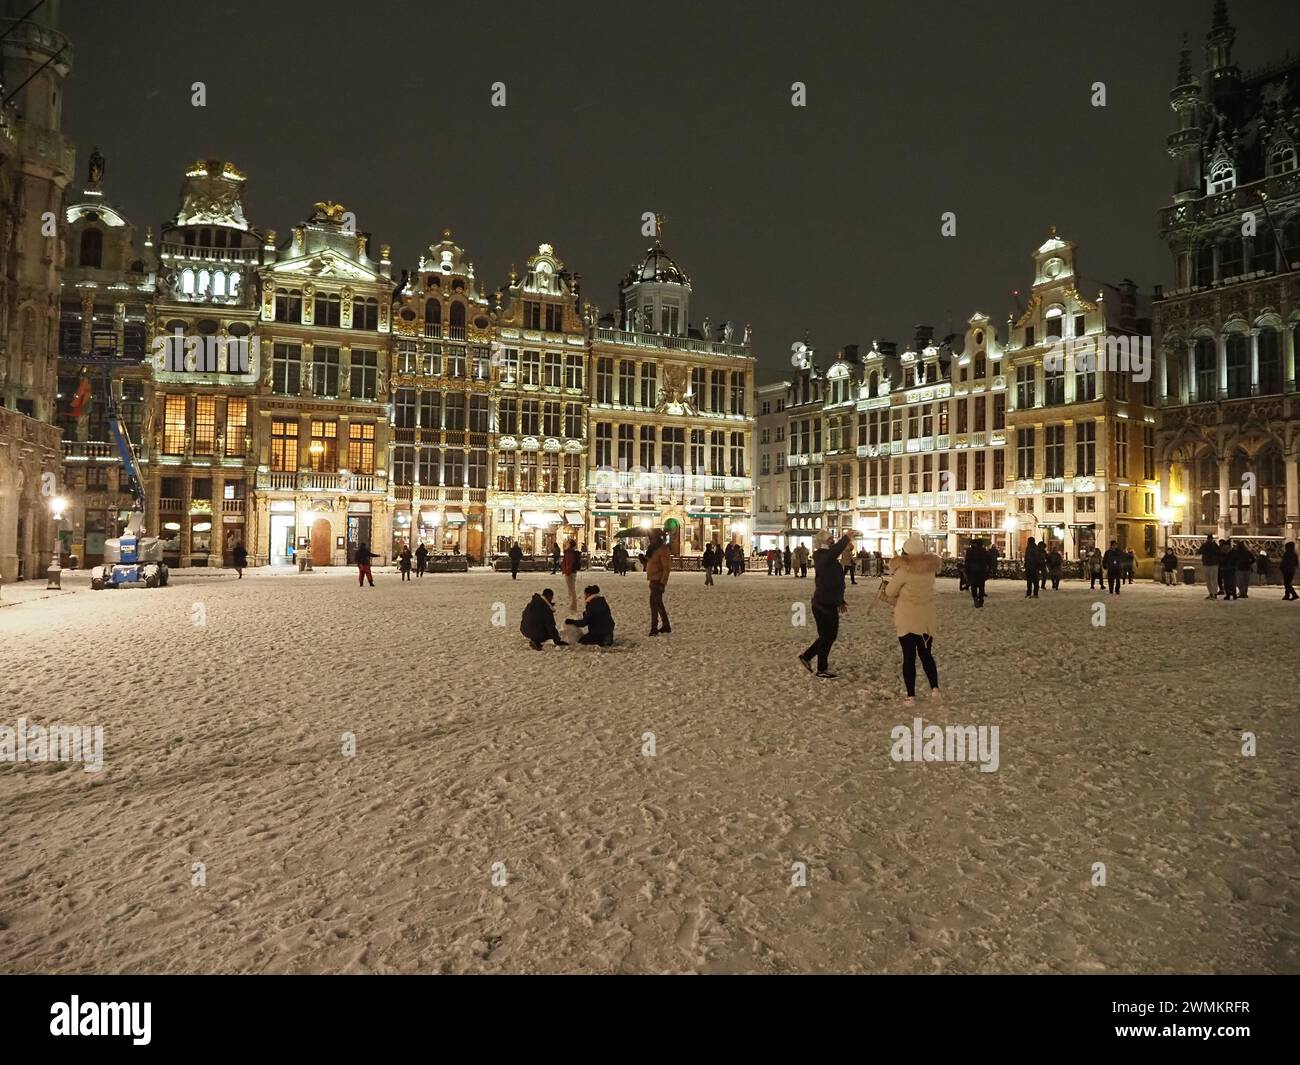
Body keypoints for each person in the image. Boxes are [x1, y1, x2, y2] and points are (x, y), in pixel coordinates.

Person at [882, 532, 940, 705]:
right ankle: (935, 689)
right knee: (926, 654)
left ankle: (911, 696)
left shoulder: (903, 571)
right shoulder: (930, 571)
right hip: (927, 618)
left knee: (909, 657)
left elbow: (890, 592)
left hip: (907, 618)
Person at [798, 530, 852, 678]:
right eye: (829, 539)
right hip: (822, 604)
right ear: (822, 542)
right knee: (828, 636)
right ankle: (817, 665)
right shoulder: (822, 556)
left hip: (828, 602)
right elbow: (833, 553)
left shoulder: (829, 558)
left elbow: (833, 582)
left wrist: (839, 600)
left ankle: (810, 659)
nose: (832, 541)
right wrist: (846, 538)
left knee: (827, 636)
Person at [645, 528, 672, 635]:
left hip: (658, 581)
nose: (651, 540)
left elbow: (667, 568)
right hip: (652, 580)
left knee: (654, 604)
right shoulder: (653, 549)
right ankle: (666, 625)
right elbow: (651, 564)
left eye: (652, 537)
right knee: (658, 604)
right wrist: (644, 560)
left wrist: (663, 583)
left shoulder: (663, 549)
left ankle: (654, 627)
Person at [964, 538, 989, 607]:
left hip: (972, 570)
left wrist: (966, 570)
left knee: (973, 585)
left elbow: (967, 561)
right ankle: (981, 599)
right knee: (981, 585)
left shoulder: (969, 550)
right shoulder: (983, 550)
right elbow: (987, 560)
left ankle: (975, 598)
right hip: (981, 570)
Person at [561, 537, 580, 612]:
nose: (566, 543)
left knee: (571, 589)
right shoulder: (570, 552)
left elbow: (569, 563)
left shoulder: (569, 552)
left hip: (570, 572)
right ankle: (572, 605)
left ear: (570, 544)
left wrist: (567, 571)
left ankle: (573, 606)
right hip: (572, 571)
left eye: (567, 542)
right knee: (571, 588)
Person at [1199, 533, 1219, 599]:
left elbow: (1199, 551)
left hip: (1209, 564)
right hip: (1212, 564)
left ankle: (1213, 593)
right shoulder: (1214, 545)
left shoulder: (1207, 545)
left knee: (1210, 580)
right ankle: (1213, 593)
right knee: (1212, 580)